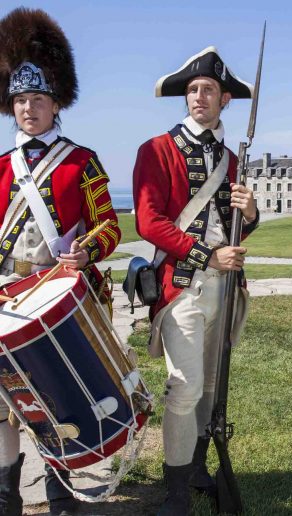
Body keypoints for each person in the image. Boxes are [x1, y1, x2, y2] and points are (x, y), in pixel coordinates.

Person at [0, 8, 121, 516]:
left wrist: (87, 250)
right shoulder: (2, 167)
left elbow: (111, 227)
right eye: (21, 100)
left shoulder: (81, 160)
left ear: (56, 106)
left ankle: (58, 493)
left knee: (56, 397)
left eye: (39, 100)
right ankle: (6, 493)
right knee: (3, 406)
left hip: (60, 296)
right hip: (8, 298)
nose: (30, 108)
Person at [133, 46, 259, 515]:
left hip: (224, 289)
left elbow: (236, 231)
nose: (198, 96)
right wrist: (209, 253)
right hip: (181, 285)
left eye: (208, 90)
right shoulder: (157, 150)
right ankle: (177, 492)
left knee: (210, 385)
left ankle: (199, 467)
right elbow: (148, 221)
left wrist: (251, 213)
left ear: (225, 99)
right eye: (192, 90)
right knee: (184, 386)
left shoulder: (231, 157)